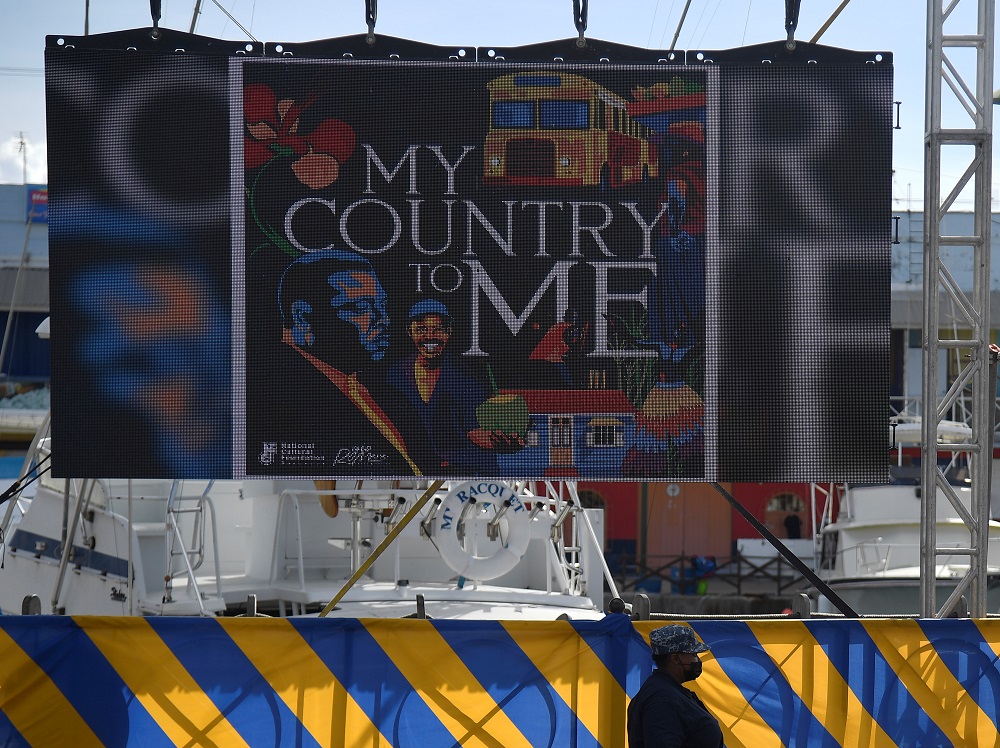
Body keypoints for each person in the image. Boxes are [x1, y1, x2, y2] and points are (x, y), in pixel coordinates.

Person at [249, 249, 433, 476]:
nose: (383, 319)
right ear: (302, 317)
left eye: (382, 305)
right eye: (360, 307)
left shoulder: (388, 397)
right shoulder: (269, 399)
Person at [389, 299, 523, 474]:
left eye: (438, 329)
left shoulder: (467, 377)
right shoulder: (394, 376)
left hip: (468, 471)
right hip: (415, 470)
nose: (430, 337)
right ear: (409, 331)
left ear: (449, 332)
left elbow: (475, 429)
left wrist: (502, 442)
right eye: (421, 329)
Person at [627, 624, 724, 748]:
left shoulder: (667, 692)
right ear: (675, 659)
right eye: (693, 654)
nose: (697, 660)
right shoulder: (663, 699)